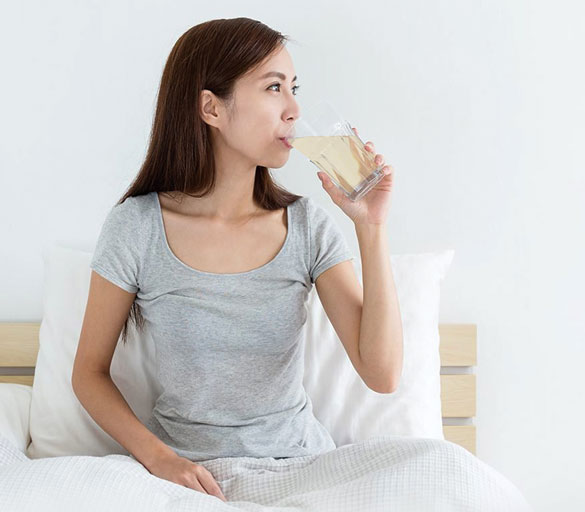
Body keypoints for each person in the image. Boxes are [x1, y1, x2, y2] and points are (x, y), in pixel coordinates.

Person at [71, 17, 401, 503]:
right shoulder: (137, 227)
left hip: (299, 467)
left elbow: (382, 374)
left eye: (293, 88)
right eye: (273, 88)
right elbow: (88, 373)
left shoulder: (307, 227)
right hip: (185, 476)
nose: (294, 109)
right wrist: (160, 458)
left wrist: (371, 227)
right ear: (211, 108)